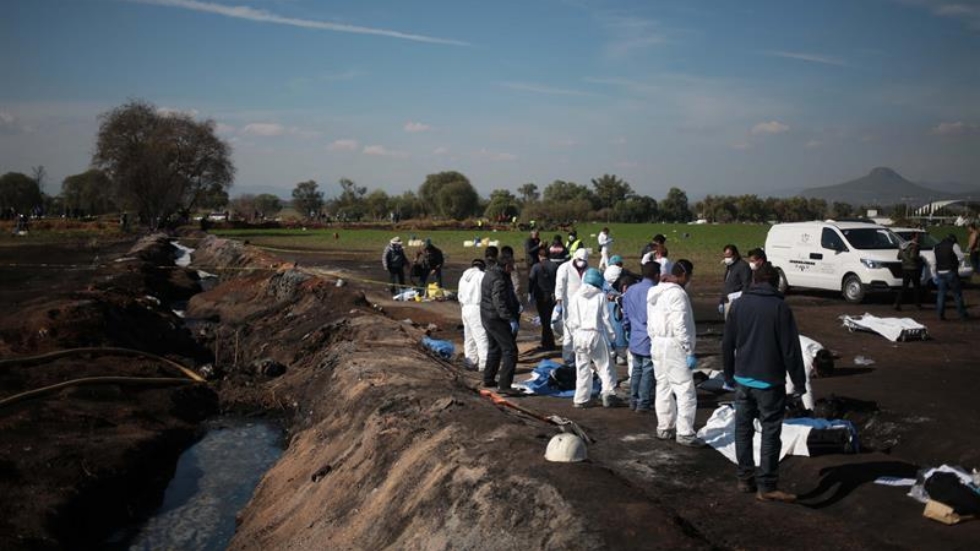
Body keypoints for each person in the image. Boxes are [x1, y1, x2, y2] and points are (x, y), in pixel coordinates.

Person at [722, 262, 807, 503]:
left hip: (742, 379)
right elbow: (791, 350)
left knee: (743, 429)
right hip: (769, 381)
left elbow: (727, 343)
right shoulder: (780, 308)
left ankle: (744, 477)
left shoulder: (739, 305)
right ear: (774, 282)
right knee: (770, 431)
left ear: (755, 280)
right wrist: (799, 383)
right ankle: (767, 485)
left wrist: (728, 375)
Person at [647, 259, 705, 448]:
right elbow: (680, 324)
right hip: (673, 344)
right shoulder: (677, 295)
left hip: (657, 342)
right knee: (684, 389)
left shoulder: (654, 292)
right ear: (684, 275)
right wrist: (688, 349)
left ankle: (665, 426)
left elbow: (650, 320)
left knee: (663, 386)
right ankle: (685, 431)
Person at [566, 268, 622, 408]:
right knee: (604, 366)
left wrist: (573, 336)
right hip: (595, 333)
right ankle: (608, 394)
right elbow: (606, 319)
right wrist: (612, 338)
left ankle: (580, 399)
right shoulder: (600, 296)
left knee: (582, 368)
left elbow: (570, 320)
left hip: (579, 334)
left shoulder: (575, 296)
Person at [622, 259, 660, 413]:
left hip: (635, 335)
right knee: (647, 369)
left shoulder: (631, 290)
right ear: (657, 275)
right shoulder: (654, 292)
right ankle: (643, 402)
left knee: (637, 368)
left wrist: (627, 327)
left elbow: (625, 312)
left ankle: (633, 399)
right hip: (648, 335)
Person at [481, 253, 522, 396]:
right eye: (511, 267)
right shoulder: (499, 279)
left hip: (487, 316)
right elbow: (498, 300)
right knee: (510, 350)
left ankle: (488, 378)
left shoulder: (490, 273)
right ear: (506, 266)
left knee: (494, 348)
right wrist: (509, 318)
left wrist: (516, 305)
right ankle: (505, 385)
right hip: (496, 318)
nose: (512, 269)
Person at [555, 248, 590, 364]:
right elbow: (560, 285)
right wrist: (559, 301)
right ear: (575, 257)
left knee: (582, 330)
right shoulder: (564, 268)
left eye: (584, 260)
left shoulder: (588, 269)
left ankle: (580, 354)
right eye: (580, 260)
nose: (582, 262)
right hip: (569, 305)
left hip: (584, 305)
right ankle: (567, 356)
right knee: (569, 332)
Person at [458, 259, 489, 371]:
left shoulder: (463, 277)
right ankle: (484, 364)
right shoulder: (482, 275)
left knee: (469, 336)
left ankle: (470, 361)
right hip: (476, 307)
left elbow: (459, 295)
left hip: (465, 307)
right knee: (481, 337)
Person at [528, 247, 559, 350]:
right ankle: (546, 341)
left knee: (544, 320)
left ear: (539, 256)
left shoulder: (536, 267)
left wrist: (529, 292)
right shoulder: (555, 266)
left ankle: (548, 343)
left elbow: (531, 280)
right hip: (553, 295)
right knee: (549, 318)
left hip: (541, 296)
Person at [933, 234, 969, 320]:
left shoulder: (936, 246)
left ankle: (940, 315)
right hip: (951, 271)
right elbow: (961, 256)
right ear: (953, 239)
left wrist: (934, 273)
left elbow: (933, 261)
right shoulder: (954, 245)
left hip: (940, 272)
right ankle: (962, 315)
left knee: (941, 294)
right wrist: (957, 262)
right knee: (957, 294)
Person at [720, 244, 752, 318]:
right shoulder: (730, 266)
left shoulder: (743, 267)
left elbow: (746, 285)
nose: (726, 258)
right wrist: (721, 301)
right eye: (725, 256)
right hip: (727, 301)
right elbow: (727, 284)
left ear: (735, 255)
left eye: (729, 256)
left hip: (736, 303)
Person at [894, 232, 923, 311]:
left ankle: (897, 303)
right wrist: (920, 259)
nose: (919, 238)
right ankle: (918, 304)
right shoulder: (915, 246)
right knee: (916, 287)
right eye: (918, 237)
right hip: (913, 268)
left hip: (905, 268)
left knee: (904, 287)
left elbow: (899, 257)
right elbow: (913, 256)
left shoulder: (903, 246)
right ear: (914, 237)